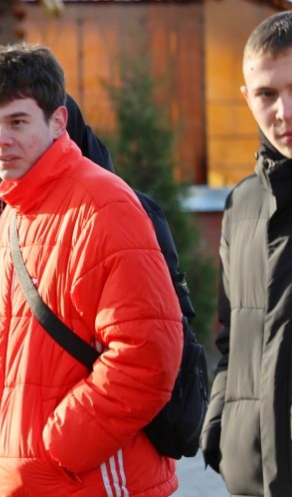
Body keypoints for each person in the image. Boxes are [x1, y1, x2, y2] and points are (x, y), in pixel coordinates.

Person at [0, 43, 183, 497]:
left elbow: (147, 355)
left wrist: (59, 449)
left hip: (87, 480)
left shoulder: (104, 203)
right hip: (23, 483)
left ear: (58, 121)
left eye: (17, 122)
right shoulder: (10, 214)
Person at [201, 11, 292, 497]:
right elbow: (231, 335)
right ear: (246, 98)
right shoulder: (242, 204)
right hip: (252, 475)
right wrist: (221, 426)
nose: (284, 111)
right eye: (267, 94)